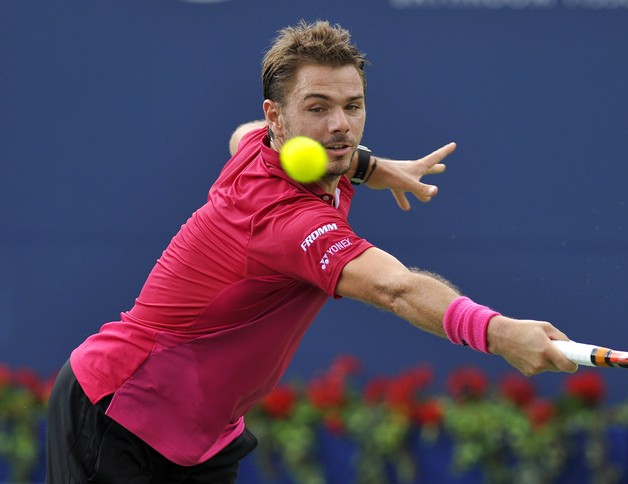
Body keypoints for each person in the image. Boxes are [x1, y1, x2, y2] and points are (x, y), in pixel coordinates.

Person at [46, 20, 578, 483]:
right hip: (119, 411)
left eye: (353, 106)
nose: (340, 125)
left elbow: (241, 136)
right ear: (278, 117)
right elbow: (395, 288)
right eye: (318, 108)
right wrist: (501, 332)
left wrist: (369, 167)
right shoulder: (284, 218)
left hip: (202, 437)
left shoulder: (277, 148)